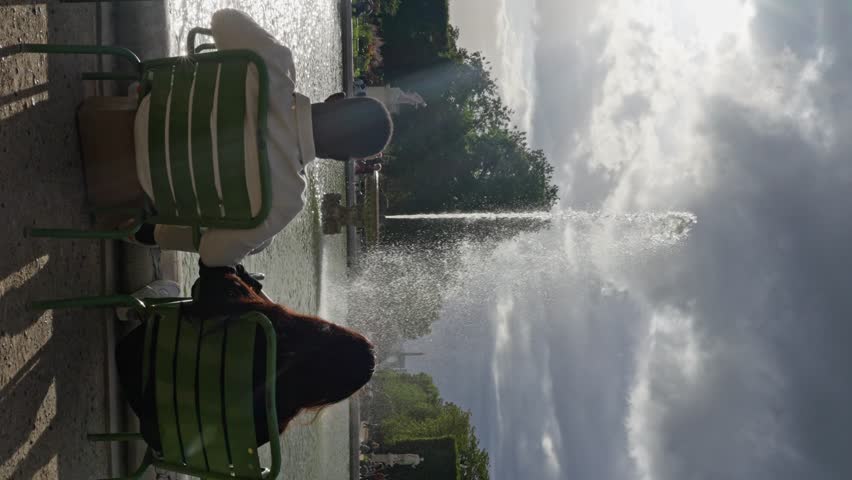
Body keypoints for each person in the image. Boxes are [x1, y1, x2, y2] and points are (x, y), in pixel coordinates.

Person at [129, 9, 394, 267]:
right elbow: (212, 255)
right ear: (338, 157)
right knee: (257, 240)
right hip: (148, 189)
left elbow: (222, 19)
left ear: (335, 98)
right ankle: (151, 233)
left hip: (143, 113)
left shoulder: (275, 65)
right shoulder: (285, 202)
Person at [115, 261, 376, 449]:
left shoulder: (263, 324)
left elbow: (208, 283)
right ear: (331, 391)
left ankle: (142, 306)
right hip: (155, 417)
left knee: (202, 306)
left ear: (328, 333)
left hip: (136, 352)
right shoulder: (274, 420)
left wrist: (239, 280)